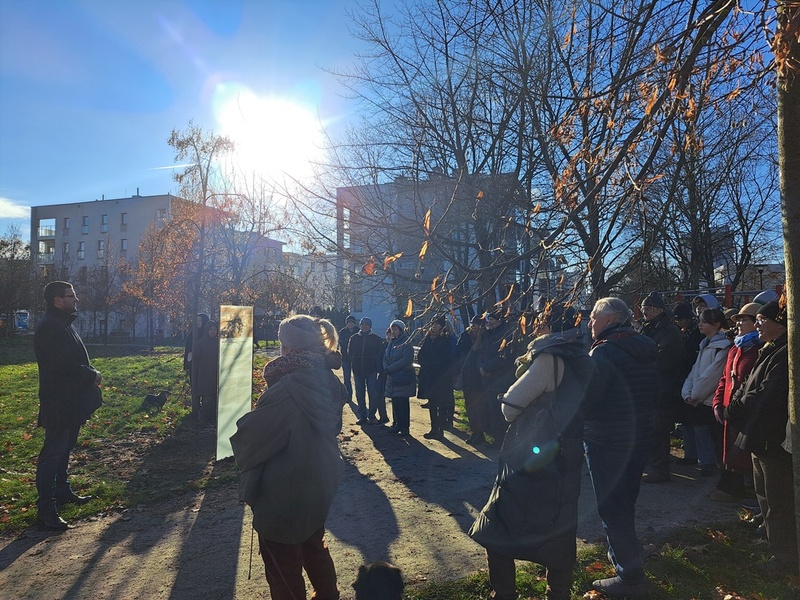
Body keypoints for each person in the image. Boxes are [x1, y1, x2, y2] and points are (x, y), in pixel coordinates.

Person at [470, 304, 593, 600]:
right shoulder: (582, 356)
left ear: (549, 327)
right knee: (560, 527)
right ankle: (558, 593)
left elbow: (511, 407)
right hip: (567, 452)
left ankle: (504, 594)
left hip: (533, 457)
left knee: (497, 526)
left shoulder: (549, 357)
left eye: (539, 322)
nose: (534, 325)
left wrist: (508, 398)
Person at [230, 315, 347, 600]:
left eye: (282, 344)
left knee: (283, 566)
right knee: (313, 547)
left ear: (291, 349)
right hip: (318, 483)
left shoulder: (288, 390)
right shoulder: (326, 379)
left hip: (284, 492)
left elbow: (251, 438)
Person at [584, 298, 657, 599]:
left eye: (593, 317)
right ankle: (632, 555)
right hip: (638, 435)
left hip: (607, 439)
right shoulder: (646, 346)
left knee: (612, 508)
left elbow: (591, 400)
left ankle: (629, 578)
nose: (589, 323)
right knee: (626, 501)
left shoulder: (604, 352)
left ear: (611, 319)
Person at [725, 300, 797, 574]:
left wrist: (735, 408)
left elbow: (766, 393)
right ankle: (772, 543)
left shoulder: (785, 353)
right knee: (764, 494)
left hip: (771, 435)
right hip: (757, 433)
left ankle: (785, 557)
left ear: (778, 323)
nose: (756, 325)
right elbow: (746, 384)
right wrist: (735, 403)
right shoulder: (768, 349)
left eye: (761, 320)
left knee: (778, 499)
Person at [34, 281, 103, 530]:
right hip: (58, 403)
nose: (76, 299)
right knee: (52, 454)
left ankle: (62, 492)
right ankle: (45, 508)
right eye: (71, 295)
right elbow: (64, 365)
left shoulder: (61, 323)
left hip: (70, 401)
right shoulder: (50, 327)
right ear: (57, 300)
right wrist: (91, 375)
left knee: (64, 450)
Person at [711, 303, 762, 501]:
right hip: (729, 409)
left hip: (746, 410)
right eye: (738, 319)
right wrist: (717, 401)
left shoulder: (759, 349)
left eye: (744, 319)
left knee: (748, 453)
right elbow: (724, 378)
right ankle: (733, 488)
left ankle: (752, 494)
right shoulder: (736, 348)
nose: (739, 323)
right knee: (731, 450)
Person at [639, 292, 685, 484]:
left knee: (660, 430)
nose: (644, 313)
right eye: (643, 309)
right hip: (652, 386)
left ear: (658, 309)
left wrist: (642, 360)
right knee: (651, 429)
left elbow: (664, 360)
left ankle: (661, 469)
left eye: (647, 309)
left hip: (664, 387)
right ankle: (653, 465)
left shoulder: (669, 331)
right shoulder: (651, 328)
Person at [681, 308, 731, 477]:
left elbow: (711, 376)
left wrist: (694, 395)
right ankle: (705, 461)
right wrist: (687, 392)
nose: (700, 324)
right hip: (698, 398)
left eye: (704, 321)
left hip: (709, 400)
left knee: (707, 432)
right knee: (699, 429)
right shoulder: (705, 345)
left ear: (716, 324)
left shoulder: (722, 347)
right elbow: (695, 372)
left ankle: (711, 463)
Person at [475, 309, 518, 443]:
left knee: (500, 411)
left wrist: (487, 367)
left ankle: (502, 440)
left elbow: (504, 357)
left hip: (500, 378)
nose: (490, 322)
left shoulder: (507, 335)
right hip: (487, 378)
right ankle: (496, 437)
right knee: (491, 409)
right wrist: (481, 367)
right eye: (489, 319)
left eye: (493, 319)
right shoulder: (487, 334)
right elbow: (479, 353)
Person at [416, 314, 457, 439]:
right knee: (432, 404)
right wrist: (424, 363)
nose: (434, 327)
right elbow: (421, 354)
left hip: (441, 377)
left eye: (437, 325)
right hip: (429, 376)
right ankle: (434, 428)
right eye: (433, 325)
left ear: (442, 327)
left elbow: (445, 359)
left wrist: (431, 363)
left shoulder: (445, 340)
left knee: (442, 404)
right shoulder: (429, 338)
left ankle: (441, 429)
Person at [347, 317, 385, 425]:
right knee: (360, 394)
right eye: (362, 324)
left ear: (370, 326)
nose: (364, 326)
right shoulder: (354, 338)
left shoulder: (376, 339)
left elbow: (379, 353)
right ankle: (362, 416)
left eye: (366, 325)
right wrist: (355, 361)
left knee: (372, 393)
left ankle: (372, 415)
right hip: (357, 369)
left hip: (371, 370)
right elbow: (349, 352)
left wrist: (375, 364)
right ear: (360, 325)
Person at [457, 314, 486, 445]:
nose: (474, 326)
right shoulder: (465, 336)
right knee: (470, 406)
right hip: (467, 373)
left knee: (479, 407)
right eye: (472, 323)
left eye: (477, 324)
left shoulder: (485, 337)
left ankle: (481, 433)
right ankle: (475, 432)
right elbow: (458, 354)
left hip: (479, 376)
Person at [384, 320, 416, 437]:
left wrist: (391, 368)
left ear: (401, 330)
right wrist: (386, 367)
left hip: (403, 376)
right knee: (395, 401)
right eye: (392, 329)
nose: (393, 331)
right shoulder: (392, 342)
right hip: (392, 375)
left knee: (402, 402)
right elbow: (385, 356)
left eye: (396, 329)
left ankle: (404, 427)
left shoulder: (406, 342)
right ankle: (396, 423)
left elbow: (406, 359)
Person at [191, 321, 220, 425]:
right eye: (211, 329)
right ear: (206, 330)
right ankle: (204, 420)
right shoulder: (200, 344)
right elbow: (196, 361)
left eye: (215, 329)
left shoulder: (219, 344)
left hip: (217, 374)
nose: (213, 332)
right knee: (207, 399)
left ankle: (214, 419)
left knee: (215, 399)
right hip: (205, 375)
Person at [183, 313, 209, 385]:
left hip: (207, 365)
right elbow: (188, 350)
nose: (198, 322)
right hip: (194, 364)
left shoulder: (209, 334)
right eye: (197, 320)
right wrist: (187, 365)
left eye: (200, 320)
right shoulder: (193, 334)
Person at [338, 315, 359, 402]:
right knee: (347, 379)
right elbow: (341, 343)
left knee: (357, 378)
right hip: (345, 358)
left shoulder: (358, 331)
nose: (350, 324)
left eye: (351, 322)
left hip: (356, 359)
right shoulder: (342, 332)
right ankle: (348, 395)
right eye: (348, 322)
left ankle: (358, 397)